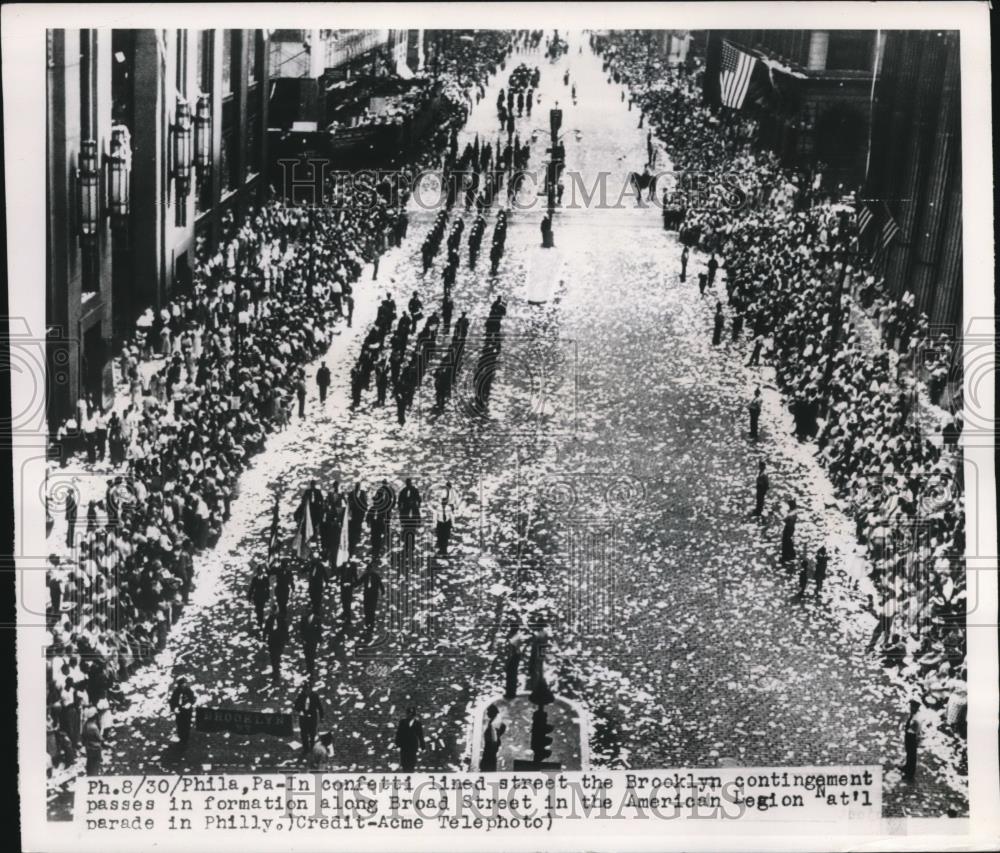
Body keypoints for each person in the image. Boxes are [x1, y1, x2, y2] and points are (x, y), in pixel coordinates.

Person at [293, 678, 325, 756]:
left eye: (309, 689)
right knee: (304, 734)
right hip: (303, 717)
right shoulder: (301, 696)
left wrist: (321, 717)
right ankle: (306, 748)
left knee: (312, 733)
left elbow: (319, 707)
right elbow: (296, 707)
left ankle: (312, 747)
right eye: (306, 690)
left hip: (312, 717)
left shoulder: (315, 696)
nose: (308, 691)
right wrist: (300, 708)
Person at [168, 677, 196, 752]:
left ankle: (185, 739)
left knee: (186, 724)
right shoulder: (176, 692)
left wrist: (189, 704)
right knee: (180, 724)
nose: (183, 686)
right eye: (182, 685)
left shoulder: (189, 691)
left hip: (187, 711)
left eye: (184, 684)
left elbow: (193, 699)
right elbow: (172, 701)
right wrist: (174, 708)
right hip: (179, 711)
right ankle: (181, 736)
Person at [394, 707, 425, 772]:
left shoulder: (416, 723)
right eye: (409, 714)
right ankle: (407, 772)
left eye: (411, 714)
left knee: (410, 762)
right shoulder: (403, 722)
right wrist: (397, 745)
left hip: (410, 745)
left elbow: (420, 735)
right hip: (406, 745)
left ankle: (409, 772)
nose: (410, 715)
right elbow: (399, 734)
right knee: (406, 762)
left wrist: (423, 746)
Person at [480, 704, 507, 772]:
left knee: (488, 765)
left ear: (493, 712)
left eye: (488, 711)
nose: (487, 713)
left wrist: (493, 746)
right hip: (490, 746)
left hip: (490, 747)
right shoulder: (494, 722)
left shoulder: (494, 724)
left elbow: (494, 739)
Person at [901, 698, 922, 782]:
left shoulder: (916, 718)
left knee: (911, 755)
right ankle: (907, 767)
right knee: (909, 753)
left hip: (912, 737)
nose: (910, 708)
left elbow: (916, 730)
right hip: (909, 735)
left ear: (915, 708)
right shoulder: (913, 715)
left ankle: (910, 774)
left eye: (912, 707)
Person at [360, 564, 385, 630]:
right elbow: (359, 582)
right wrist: (352, 584)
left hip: (373, 595)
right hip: (367, 594)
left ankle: (371, 622)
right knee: (366, 608)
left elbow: (380, 584)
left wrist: (383, 591)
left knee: (372, 608)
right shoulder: (365, 575)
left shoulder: (376, 576)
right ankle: (367, 621)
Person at [81, 707, 103, 776]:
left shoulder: (85, 725)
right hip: (95, 747)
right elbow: (100, 738)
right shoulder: (94, 727)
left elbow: (83, 735)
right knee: (95, 764)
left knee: (90, 763)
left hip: (88, 747)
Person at [248, 564, 270, 629]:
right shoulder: (254, 579)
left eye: (261, 571)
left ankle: (260, 622)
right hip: (257, 597)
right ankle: (259, 621)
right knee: (258, 610)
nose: (260, 572)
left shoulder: (265, 579)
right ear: (258, 572)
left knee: (261, 610)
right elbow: (252, 588)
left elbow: (267, 589)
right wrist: (249, 597)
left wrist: (267, 597)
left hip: (262, 596)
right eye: (259, 571)